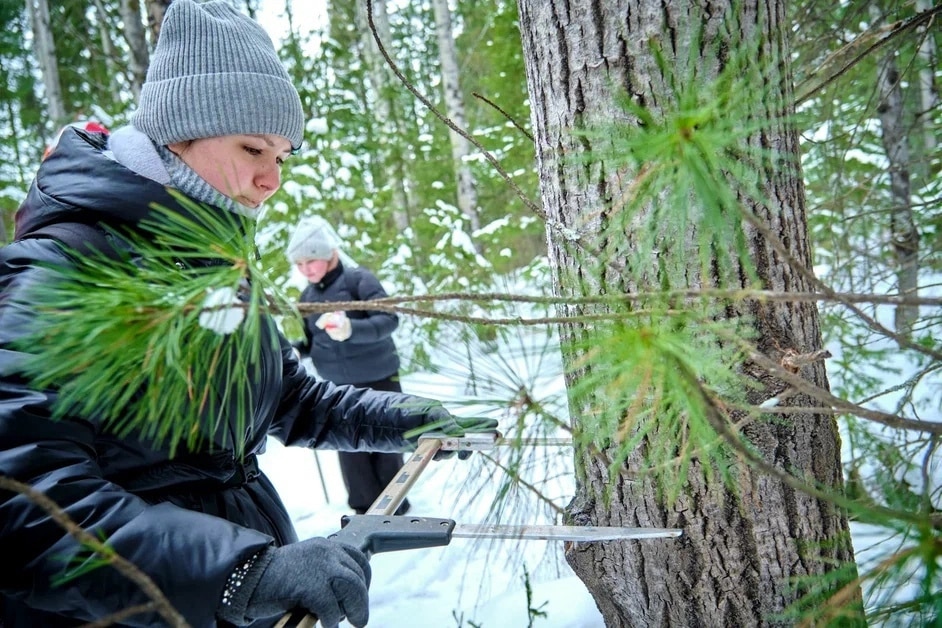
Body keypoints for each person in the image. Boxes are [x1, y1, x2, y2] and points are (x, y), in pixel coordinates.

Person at [0, 2, 495, 627]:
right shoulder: (62, 270)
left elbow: (287, 399)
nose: (271, 180)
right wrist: (235, 573)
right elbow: (26, 504)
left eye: (283, 156)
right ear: (180, 131)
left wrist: (397, 419)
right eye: (253, 147)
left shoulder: (218, 269)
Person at [287, 217, 410, 516]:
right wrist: (294, 350)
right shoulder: (307, 296)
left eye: (311, 260)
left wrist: (351, 329)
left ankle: (394, 507)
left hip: (378, 377)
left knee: (386, 443)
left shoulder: (359, 280)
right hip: (337, 387)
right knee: (349, 447)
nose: (306, 270)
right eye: (300, 264)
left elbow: (388, 319)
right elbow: (309, 339)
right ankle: (363, 510)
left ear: (330, 253)